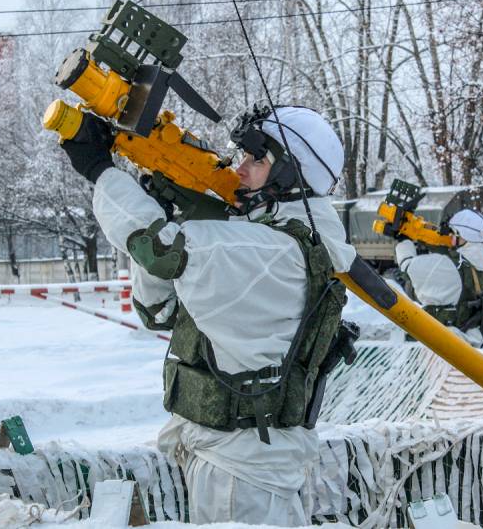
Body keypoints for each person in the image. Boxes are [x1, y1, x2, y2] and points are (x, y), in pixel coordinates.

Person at [58, 105, 356, 525]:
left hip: (244, 474)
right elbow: (159, 311)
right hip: (232, 458)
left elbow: (159, 249)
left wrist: (101, 170)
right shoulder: (272, 243)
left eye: (257, 160)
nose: (239, 169)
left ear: (292, 175)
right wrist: (167, 208)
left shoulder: (276, 252)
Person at [394, 209, 483, 347]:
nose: (450, 238)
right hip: (471, 338)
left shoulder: (447, 265)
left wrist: (403, 241)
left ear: (461, 235)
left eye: (453, 233)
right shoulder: (481, 262)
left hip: (444, 341)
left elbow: (407, 268)